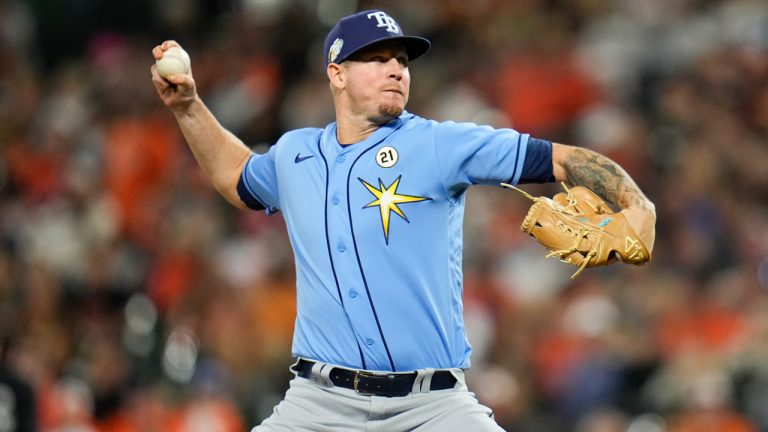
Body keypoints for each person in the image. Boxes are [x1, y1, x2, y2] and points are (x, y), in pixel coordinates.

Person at [151, 9, 656, 432]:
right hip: (318, 405)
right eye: (377, 59)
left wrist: (637, 205)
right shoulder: (295, 154)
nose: (395, 69)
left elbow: (563, 159)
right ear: (337, 74)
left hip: (432, 406)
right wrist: (189, 107)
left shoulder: (438, 144)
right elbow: (237, 177)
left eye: (401, 60)